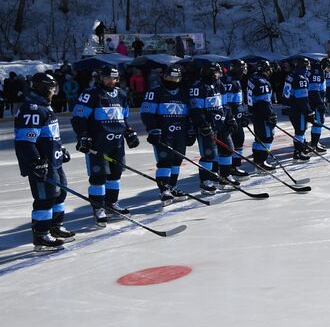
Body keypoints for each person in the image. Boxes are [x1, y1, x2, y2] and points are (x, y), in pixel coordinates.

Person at [71, 65, 138, 223]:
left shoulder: (121, 94)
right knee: (98, 177)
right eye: (107, 78)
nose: (111, 81)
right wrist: (83, 136)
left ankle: (111, 203)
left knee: (115, 176)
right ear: (100, 78)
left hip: (117, 143)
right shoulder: (91, 94)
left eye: (114, 78)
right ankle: (98, 208)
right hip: (98, 145)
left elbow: (123, 117)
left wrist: (129, 131)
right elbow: (78, 118)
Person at [15, 71, 74, 249]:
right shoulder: (32, 109)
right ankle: (41, 235)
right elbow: (25, 141)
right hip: (41, 163)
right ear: (41, 88)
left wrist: (61, 149)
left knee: (60, 194)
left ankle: (55, 227)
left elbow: (50, 136)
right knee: (45, 198)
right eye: (51, 88)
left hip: (54, 160)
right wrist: (35, 161)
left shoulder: (45, 106)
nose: (53, 92)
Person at [141, 64, 193, 203]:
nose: (173, 81)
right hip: (163, 133)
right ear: (163, 77)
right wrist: (152, 129)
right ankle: (164, 190)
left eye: (176, 79)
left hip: (179, 133)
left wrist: (190, 130)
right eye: (169, 77)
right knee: (165, 162)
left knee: (177, 161)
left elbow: (188, 115)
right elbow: (147, 113)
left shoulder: (183, 93)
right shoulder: (155, 92)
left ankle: (173, 187)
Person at [188, 62, 229, 194]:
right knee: (209, 154)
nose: (219, 75)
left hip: (219, 124)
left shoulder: (219, 85)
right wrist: (203, 123)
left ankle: (215, 177)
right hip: (206, 126)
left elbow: (225, 105)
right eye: (217, 72)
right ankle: (205, 182)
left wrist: (230, 118)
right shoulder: (198, 87)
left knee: (222, 150)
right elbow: (196, 109)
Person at [247, 60, 278, 170]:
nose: (270, 71)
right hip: (261, 114)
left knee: (259, 138)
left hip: (254, 112)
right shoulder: (262, 82)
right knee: (267, 137)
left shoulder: (253, 78)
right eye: (268, 69)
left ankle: (257, 160)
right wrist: (270, 115)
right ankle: (261, 161)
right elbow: (264, 102)